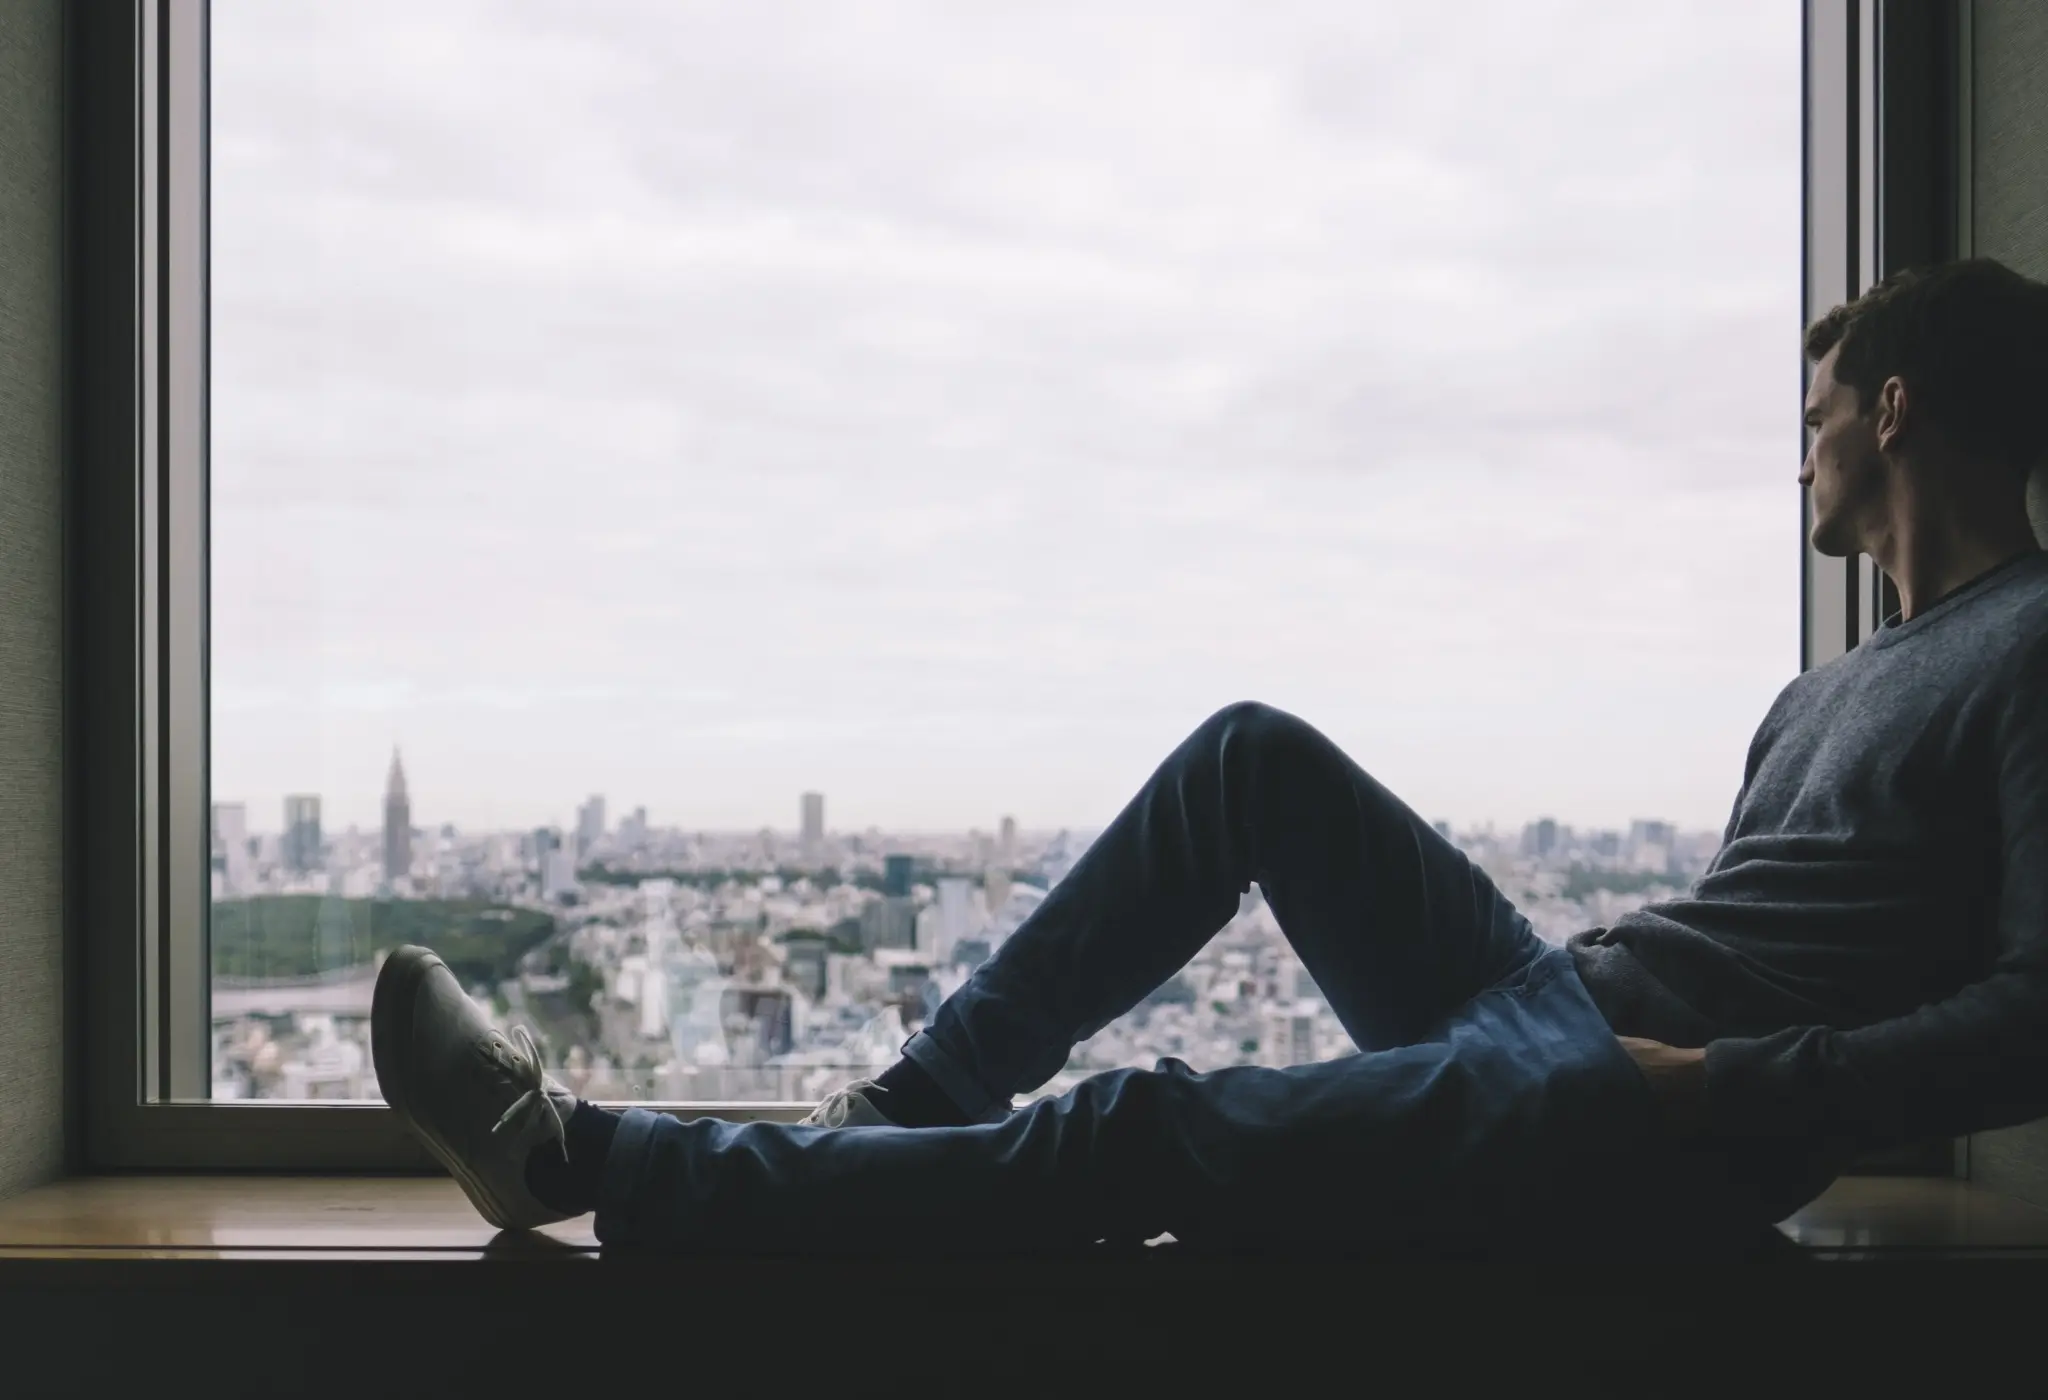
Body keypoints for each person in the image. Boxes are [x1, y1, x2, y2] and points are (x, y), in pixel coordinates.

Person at [371, 258, 2048, 1254]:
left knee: (1147, 1131)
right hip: (1584, 1019)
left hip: (1652, 1110)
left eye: (1815, 416)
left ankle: (571, 1158)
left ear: (1893, 411)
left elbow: (2038, 1015)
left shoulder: (2031, 645)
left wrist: (1720, 1089)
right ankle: (906, 1104)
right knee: (1249, 758)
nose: (1799, 455)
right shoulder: (1831, 684)